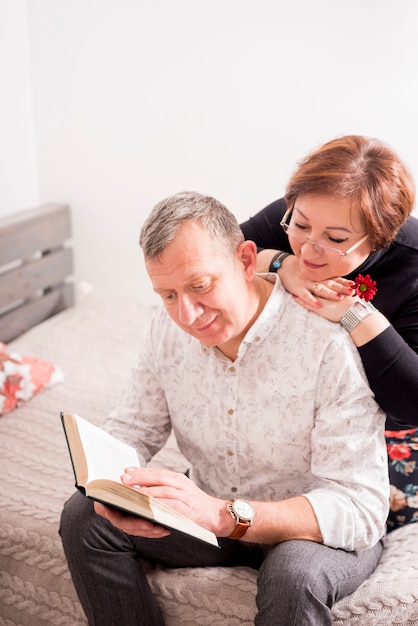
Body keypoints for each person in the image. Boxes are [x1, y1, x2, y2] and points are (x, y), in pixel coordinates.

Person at [60, 191, 389, 626]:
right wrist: (109, 487)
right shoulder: (167, 326)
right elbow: (135, 425)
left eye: (200, 286)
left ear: (246, 259)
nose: (188, 314)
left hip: (307, 534)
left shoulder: (326, 342)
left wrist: (222, 515)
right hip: (211, 514)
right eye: (168, 295)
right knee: (83, 514)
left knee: (294, 575)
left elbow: (359, 507)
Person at [240, 134, 418, 529]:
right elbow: (220, 259)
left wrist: (354, 316)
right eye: (299, 225)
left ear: (379, 236)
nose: (309, 248)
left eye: (335, 240)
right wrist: (278, 263)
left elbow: (412, 403)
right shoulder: (300, 218)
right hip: (290, 413)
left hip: (380, 433)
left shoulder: (413, 266)